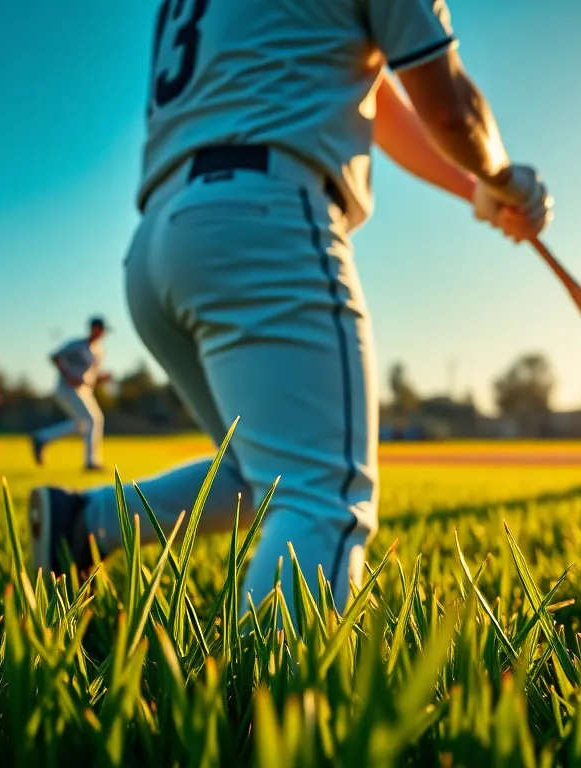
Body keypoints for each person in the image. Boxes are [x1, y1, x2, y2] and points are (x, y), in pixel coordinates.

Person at [28, 0, 553, 617]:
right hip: (263, 217)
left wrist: (476, 191)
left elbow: (373, 92)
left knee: (267, 470)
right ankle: (265, 709)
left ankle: (81, 525)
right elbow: (450, 109)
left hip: (158, 244)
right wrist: (506, 178)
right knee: (322, 492)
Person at [31, 317, 111, 470]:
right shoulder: (77, 345)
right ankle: (90, 462)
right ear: (94, 328)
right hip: (66, 388)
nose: (103, 333)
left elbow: (92, 377)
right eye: (101, 329)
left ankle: (42, 437)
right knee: (90, 420)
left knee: (87, 423)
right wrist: (69, 376)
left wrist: (102, 379)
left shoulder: (99, 351)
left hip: (84, 390)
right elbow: (55, 357)